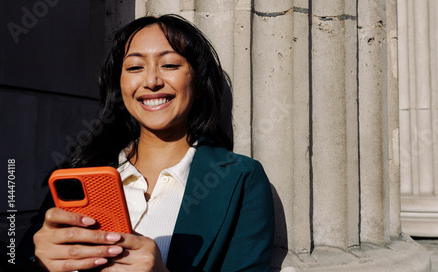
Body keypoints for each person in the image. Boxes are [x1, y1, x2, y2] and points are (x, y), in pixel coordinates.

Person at [24, 14, 274, 271]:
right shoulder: (80, 174)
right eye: (134, 68)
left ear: (198, 83)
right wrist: (38, 263)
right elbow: (20, 261)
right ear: (119, 85)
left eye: (169, 65)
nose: (152, 81)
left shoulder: (240, 178)